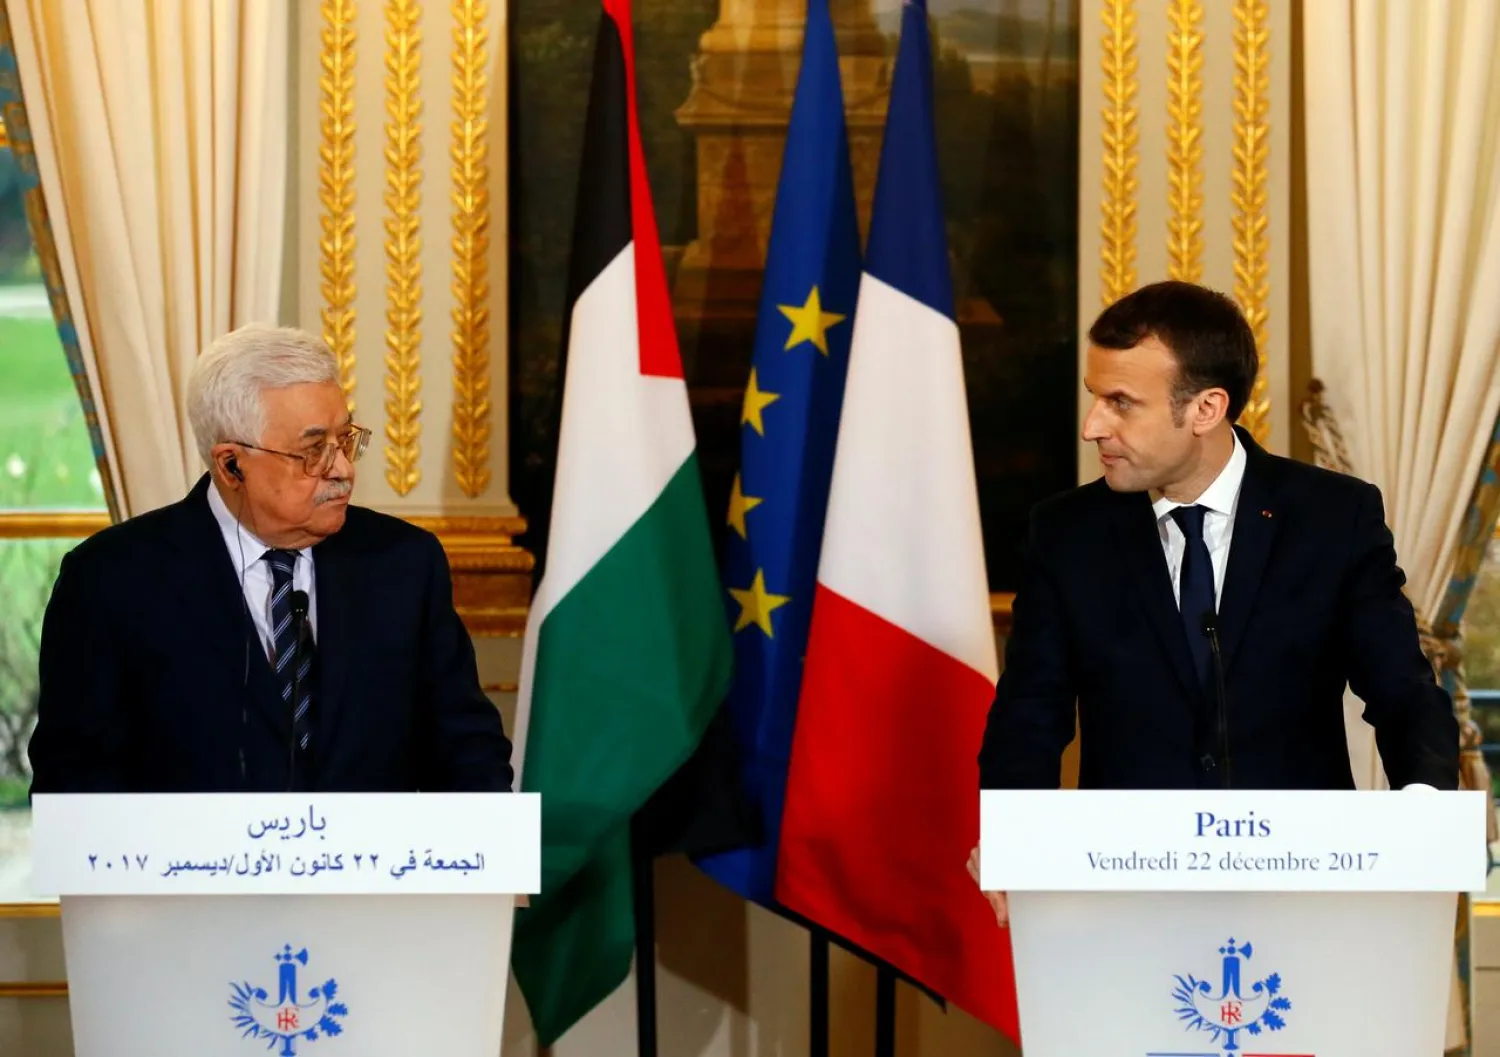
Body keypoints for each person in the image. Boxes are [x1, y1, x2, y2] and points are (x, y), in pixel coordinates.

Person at [969, 280, 1457, 923]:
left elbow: (1403, 693)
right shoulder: (1066, 534)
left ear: (1205, 408)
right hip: (1123, 900)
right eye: (1095, 398)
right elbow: (1031, 713)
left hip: (1304, 898)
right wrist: (1013, 833)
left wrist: (1424, 812)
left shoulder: (1333, 518)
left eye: (1121, 403)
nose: (1093, 427)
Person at [28, 324, 515, 794]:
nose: (342, 469)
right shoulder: (111, 582)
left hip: (369, 875)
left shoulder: (403, 564)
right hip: (193, 875)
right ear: (231, 464)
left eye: (345, 440)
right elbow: (75, 780)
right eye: (313, 450)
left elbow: (468, 752)